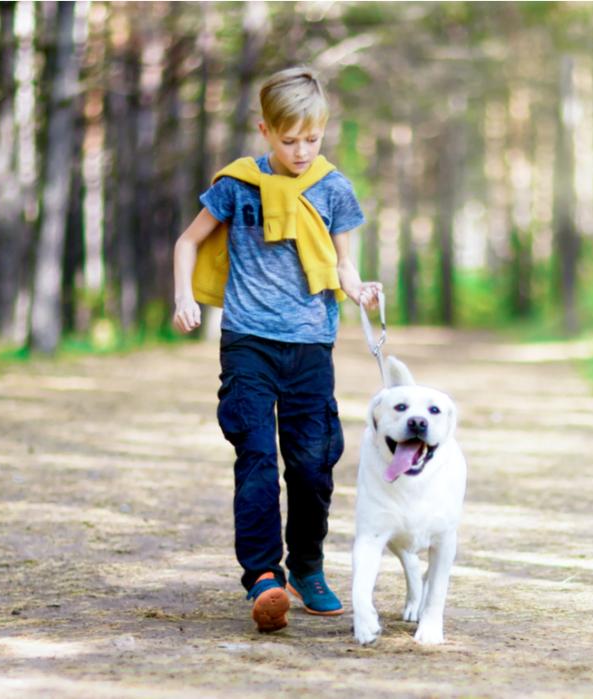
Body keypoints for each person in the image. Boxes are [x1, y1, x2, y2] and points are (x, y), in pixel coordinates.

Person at [171, 66, 381, 633]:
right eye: (289, 140)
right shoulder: (237, 185)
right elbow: (188, 241)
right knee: (257, 456)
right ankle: (264, 577)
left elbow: (344, 262)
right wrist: (183, 296)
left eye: (312, 138)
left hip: (311, 344)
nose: (302, 150)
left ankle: (308, 567)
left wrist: (358, 288)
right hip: (248, 343)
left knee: (313, 465)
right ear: (265, 130)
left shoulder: (332, 187)